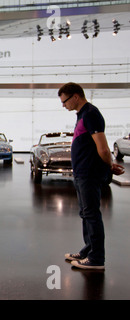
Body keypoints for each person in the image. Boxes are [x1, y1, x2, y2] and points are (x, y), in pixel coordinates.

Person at [59, 82, 124, 270]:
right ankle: (89, 249)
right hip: (82, 173)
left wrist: (110, 165)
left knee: (92, 215)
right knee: (85, 214)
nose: (64, 105)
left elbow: (103, 148)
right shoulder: (82, 115)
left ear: (76, 97)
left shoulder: (91, 114)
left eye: (65, 101)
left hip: (89, 174)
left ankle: (97, 259)